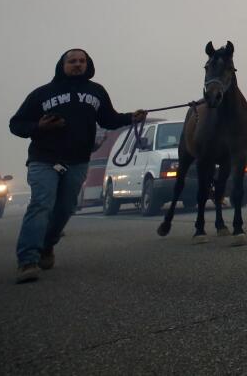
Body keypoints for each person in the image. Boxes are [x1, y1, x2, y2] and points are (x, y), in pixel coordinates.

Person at [8, 49, 145, 283]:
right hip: (44, 159)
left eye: (82, 61)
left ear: (88, 64)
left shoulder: (96, 92)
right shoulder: (42, 94)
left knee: (65, 208)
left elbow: (108, 119)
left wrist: (131, 117)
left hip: (78, 161)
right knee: (42, 204)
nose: (77, 65)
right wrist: (39, 126)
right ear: (62, 65)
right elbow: (16, 124)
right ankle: (27, 261)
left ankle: (47, 245)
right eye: (72, 61)